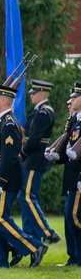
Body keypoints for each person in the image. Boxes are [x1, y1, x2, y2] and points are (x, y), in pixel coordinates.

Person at [0, 82, 47, 268]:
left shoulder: (9, 124)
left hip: (5, 179)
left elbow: (9, 157)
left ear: (3, 100)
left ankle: (34, 247)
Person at [19, 80, 59, 246]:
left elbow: (35, 139)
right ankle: (31, 236)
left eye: (34, 93)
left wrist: (21, 152)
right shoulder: (37, 111)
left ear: (42, 94)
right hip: (31, 158)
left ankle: (47, 231)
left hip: (35, 158)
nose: (31, 95)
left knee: (27, 196)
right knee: (25, 196)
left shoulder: (44, 113)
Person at [46, 84, 81, 267]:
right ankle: (74, 257)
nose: (71, 101)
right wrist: (57, 155)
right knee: (69, 217)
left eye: (75, 97)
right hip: (71, 175)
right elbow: (70, 148)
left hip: (78, 176)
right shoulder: (74, 121)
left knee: (75, 216)